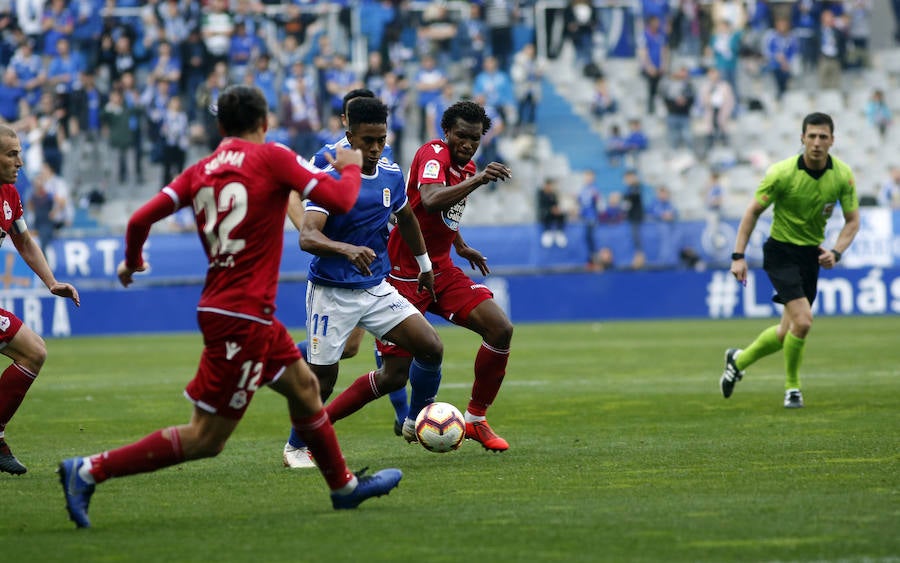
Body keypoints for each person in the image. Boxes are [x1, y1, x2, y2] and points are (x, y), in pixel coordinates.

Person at [57, 85, 402, 529]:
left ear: (220, 125)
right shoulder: (273, 157)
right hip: (242, 316)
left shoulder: (199, 171)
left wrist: (132, 260)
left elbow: (140, 218)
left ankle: (344, 488)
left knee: (304, 388)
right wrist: (351, 167)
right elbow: (340, 200)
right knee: (206, 438)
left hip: (234, 309)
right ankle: (88, 471)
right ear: (265, 123)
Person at [324, 100, 514, 452]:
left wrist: (461, 245)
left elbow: (442, 215)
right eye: (461, 136)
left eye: (474, 139)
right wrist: (477, 180)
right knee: (394, 375)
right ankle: (319, 423)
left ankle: (475, 419)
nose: (468, 144)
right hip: (402, 274)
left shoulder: (467, 166)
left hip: (440, 269)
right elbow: (428, 200)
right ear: (446, 132)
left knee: (500, 329)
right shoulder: (434, 154)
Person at [281, 97, 443, 470]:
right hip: (331, 291)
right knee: (324, 379)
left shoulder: (390, 173)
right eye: (367, 140)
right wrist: (346, 249)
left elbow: (406, 218)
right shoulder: (329, 173)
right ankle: (295, 447)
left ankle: (416, 420)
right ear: (349, 134)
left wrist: (425, 265)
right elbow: (308, 236)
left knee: (430, 346)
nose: (374, 148)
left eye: (381, 140)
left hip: (375, 287)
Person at [721, 112, 859, 408]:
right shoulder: (781, 174)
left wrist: (836, 252)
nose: (817, 143)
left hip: (810, 256)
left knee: (788, 332)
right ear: (802, 138)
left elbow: (852, 221)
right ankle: (792, 388)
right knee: (804, 321)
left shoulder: (842, 176)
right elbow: (752, 212)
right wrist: (738, 256)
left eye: (823, 137)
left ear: (832, 140)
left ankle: (737, 361)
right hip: (781, 252)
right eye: (812, 136)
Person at [0, 124, 80, 476]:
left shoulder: (9, 195)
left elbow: (24, 241)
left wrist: (51, 282)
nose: (20, 162)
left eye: (19, 153)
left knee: (33, 352)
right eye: (11, 155)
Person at [537, 177, 568, 248]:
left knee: (561, 214)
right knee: (546, 214)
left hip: (553, 213)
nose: (549, 187)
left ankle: (559, 231)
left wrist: (557, 209)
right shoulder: (540, 194)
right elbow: (541, 206)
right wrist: (551, 209)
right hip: (545, 213)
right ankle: (547, 231)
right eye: (548, 186)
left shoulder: (553, 195)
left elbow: (556, 204)